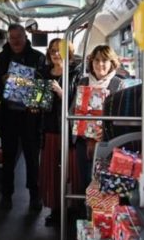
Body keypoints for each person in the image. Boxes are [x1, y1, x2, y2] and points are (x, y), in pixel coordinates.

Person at [0, 24, 47, 211]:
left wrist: (37, 103)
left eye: (19, 37)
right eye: (12, 37)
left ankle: (35, 195)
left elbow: (43, 84)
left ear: (25, 37)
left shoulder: (38, 58)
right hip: (7, 115)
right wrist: (1, 81)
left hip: (29, 116)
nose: (16, 41)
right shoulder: (0, 59)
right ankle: (6, 194)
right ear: (8, 39)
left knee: (32, 157)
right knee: (8, 157)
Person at [39, 38, 82, 226]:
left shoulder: (76, 74)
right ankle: (56, 209)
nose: (56, 54)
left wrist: (61, 92)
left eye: (60, 50)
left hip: (69, 129)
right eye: (53, 50)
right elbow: (38, 99)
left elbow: (79, 102)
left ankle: (73, 208)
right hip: (49, 128)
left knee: (70, 170)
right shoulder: (43, 73)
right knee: (52, 171)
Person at [73, 45, 122, 190]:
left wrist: (106, 131)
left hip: (108, 142)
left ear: (112, 63)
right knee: (85, 181)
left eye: (105, 60)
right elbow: (73, 109)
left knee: (104, 184)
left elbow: (121, 116)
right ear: (91, 62)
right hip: (83, 141)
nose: (100, 64)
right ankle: (86, 211)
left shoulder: (118, 84)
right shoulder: (83, 82)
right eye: (96, 60)